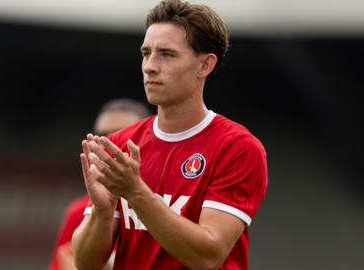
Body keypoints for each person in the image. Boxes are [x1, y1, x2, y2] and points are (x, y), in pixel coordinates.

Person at [72, 1, 268, 270]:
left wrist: (136, 193)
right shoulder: (121, 145)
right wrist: (103, 213)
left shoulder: (238, 147)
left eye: (166, 54)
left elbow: (207, 256)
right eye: (146, 53)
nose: (150, 66)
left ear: (205, 65)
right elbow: (85, 264)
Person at [48, 99, 151, 270]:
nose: (110, 143)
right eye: (102, 136)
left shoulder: (168, 203)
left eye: (123, 134)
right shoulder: (79, 213)